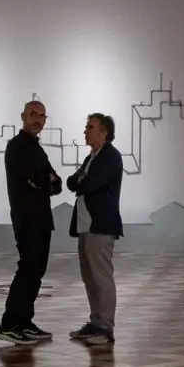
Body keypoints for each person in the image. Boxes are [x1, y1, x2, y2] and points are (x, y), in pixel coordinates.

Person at [0, 100, 62, 345]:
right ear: (23, 116)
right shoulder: (17, 146)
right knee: (28, 269)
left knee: (36, 271)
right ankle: (9, 324)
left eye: (42, 115)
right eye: (33, 114)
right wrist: (46, 180)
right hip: (27, 219)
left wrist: (46, 180)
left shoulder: (36, 148)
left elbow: (57, 183)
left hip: (42, 218)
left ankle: (24, 322)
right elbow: (35, 179)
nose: (38, 118)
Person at [67, 112, 123, 343]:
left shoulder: (109, 156)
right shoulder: (91, 157)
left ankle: (105, 327)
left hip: (100, 225)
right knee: (89, 276)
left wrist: (81, 179)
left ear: (103, 133)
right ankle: (96, 322)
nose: (85, 131)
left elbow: (89, 184)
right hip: (86, 225)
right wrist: (79, 179)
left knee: (101, 276)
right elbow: (71, 182)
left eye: (90, 127)